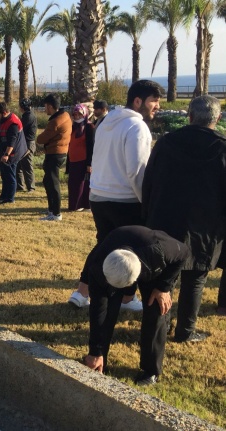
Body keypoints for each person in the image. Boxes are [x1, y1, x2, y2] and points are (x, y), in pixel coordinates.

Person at [68, 80, 162, 310]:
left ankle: (83, 292)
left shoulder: (106, 121)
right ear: (138, 101)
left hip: (99, 195)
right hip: (125, 198)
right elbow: (137, 170)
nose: (157, 107)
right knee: (131, 249)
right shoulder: (137, 127)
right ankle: (127, 299)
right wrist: (146, 202)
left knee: (105, 244)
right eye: (154, 101)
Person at [142, 95, 226, 343]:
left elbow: (150, 181)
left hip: (166, 218)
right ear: (217, 118)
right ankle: (185, 331)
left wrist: (147, 212)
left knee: (164, 275)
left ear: (189, 116)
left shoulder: (167, 143)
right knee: (196, 276)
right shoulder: (222, 147)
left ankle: (161, 325)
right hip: (206, 225)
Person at [81, 226, 188, 386]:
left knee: (156, 310)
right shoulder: (97, 265)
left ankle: (151, 370)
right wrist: (96, 351)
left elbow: (184, 253)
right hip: (116, 264)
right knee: (108, 310)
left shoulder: (158, 250)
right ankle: (100, 360)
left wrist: (163, 287)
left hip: (152, 267)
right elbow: (98, 310)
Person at [36, 94, 70, 221]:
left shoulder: (55, 121)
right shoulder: (65, 116)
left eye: (45, 106)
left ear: (50, 106)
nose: (45, 109)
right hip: (61, 153)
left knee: (53, 184)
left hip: (54, 154)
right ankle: (52, 209)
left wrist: (42, 137)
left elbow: (41, 139)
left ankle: (56, 213)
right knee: (47, 181)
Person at [0, 102, 28, 204]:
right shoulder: (5, 119)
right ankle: (4, 195)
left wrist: (6, 154)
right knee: (4, 175)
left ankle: (10, 198)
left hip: (11, 154)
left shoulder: (13, 123)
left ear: (4, 113)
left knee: (10, 176)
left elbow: (12, 141)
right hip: (4, 153)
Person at [66, 104, 94, 212]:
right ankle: (74, 205)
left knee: (84, 184)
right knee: (73, 184)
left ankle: (85, 205)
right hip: (73, 160)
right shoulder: (73, 127)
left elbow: (91, 146)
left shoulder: (89, 127)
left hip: (84, 161)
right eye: (75, 114)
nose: (77, 117)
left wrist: (89, 163)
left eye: (79, 114)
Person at [17, 98, 37, 192]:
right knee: (19, 165)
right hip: (24, 142)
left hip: (28, 143)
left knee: (27, 165)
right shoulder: (27, 115)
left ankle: (31, 187)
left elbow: (21, 129)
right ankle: (20, 185)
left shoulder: (28, 116)